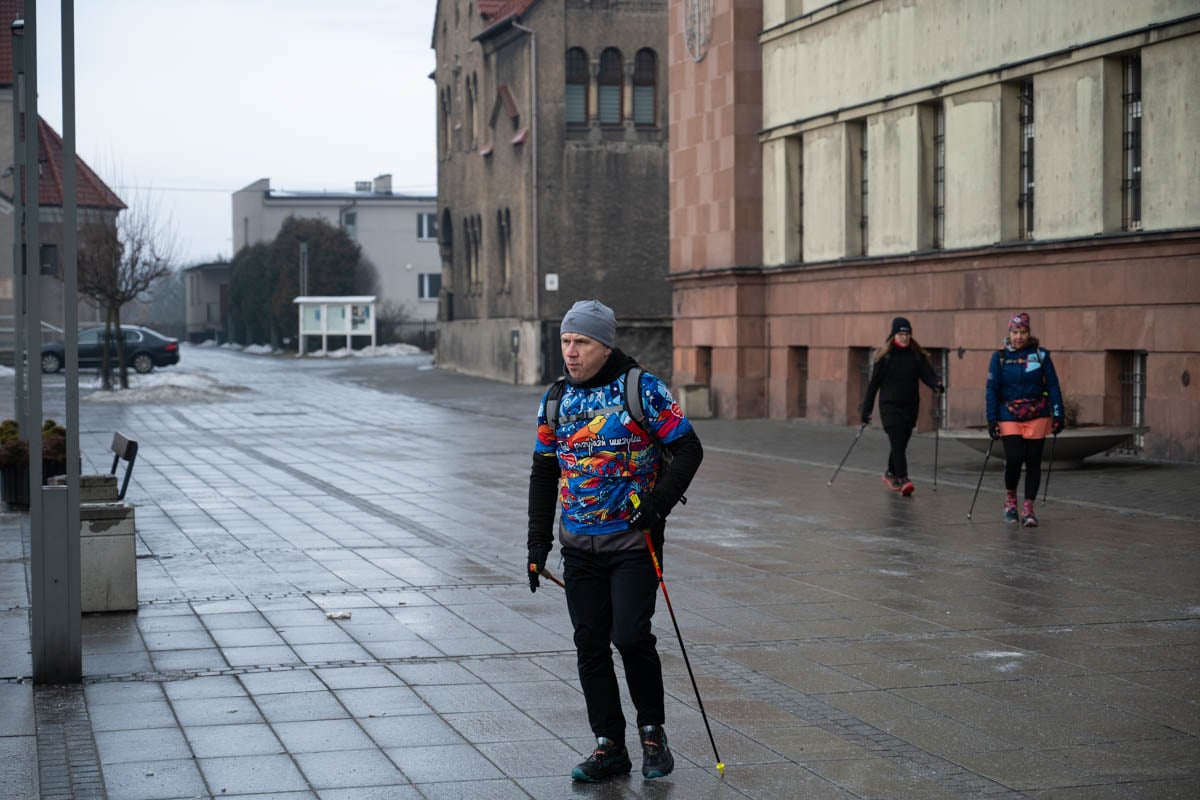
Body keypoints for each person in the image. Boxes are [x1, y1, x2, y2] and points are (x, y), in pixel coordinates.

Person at [526, 299, 703, 783]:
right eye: (565, 341)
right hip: (578, 545)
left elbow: (688, 448)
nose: (571, 352)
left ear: (605, 344)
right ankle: (609, 746)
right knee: (589, 645)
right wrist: (537, 543)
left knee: (628, 635)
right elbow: (544, 473)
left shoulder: (641, 388)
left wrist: (658, 504)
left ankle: (652, 732)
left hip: (632, 544)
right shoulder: (556, 399)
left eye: (581, 342)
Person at [985, 311, 1064, 527]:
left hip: (1037, 414)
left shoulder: (1041, 355)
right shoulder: (1000, 357)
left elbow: (1053, 385)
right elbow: (992, 389)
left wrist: (1058, 413)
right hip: (1008, 413)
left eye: (1023, 332)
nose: (1019, 337)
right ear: (1009, 333)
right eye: (1015, 332)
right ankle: (1011, 501)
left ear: (1029, 333)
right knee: (1014, 458)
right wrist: (992, 420)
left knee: (1033, 462)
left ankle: (1028, 508)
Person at [860, 316, 943, 496]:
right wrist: (866, 411)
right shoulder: (885, 357)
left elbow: (927, 375)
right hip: (889, 407)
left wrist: (936, 384)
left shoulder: (916, 355)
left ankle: (890, 473)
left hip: (910, 407)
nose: (904, 337)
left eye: (907, 334)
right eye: (900, 333)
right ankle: (903, 478)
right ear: (893, 335)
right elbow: (873, 385)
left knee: (901, 443)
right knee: (897, 441)